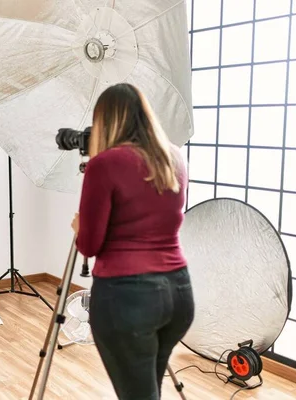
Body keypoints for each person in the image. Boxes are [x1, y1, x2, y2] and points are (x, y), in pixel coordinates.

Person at [71, 83, 195, 399]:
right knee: (147, 389)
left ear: (106, 122)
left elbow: (89, 245)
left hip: (129, 297)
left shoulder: (105, 164)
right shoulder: (176, 159)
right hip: (178, 293)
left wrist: (79, 225)